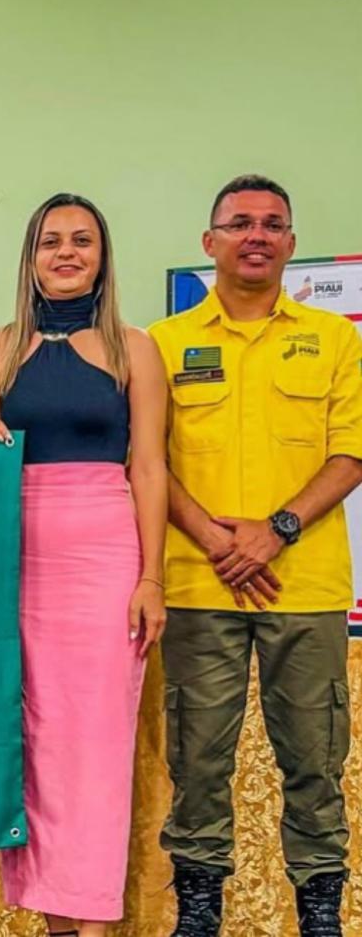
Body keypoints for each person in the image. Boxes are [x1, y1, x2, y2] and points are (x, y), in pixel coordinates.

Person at [148, 175, 362, 937]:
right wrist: (213, 537)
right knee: (199, 764)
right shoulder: (163, 343)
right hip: (200, 588)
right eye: (240, 223)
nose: (257, 235)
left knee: (315, 762)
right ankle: (198, 915)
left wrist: (275, 529)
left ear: (291, 246)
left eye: (273, 224)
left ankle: (319, 914)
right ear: (210, 243)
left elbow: (350, 454)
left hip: (304, 588)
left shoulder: (335, 339)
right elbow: (148, 459)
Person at [0, 194, 167, 936]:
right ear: (29, 257)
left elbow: (148, 466)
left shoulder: (133, 348)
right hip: (17, 553)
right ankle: (52, 918)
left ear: (102, 255)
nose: (66, 252)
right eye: (50, 241)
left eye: (81, 240)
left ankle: (91, 923)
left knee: (98, 742)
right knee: (40, 740)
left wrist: (151, 577)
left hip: (103, 551)